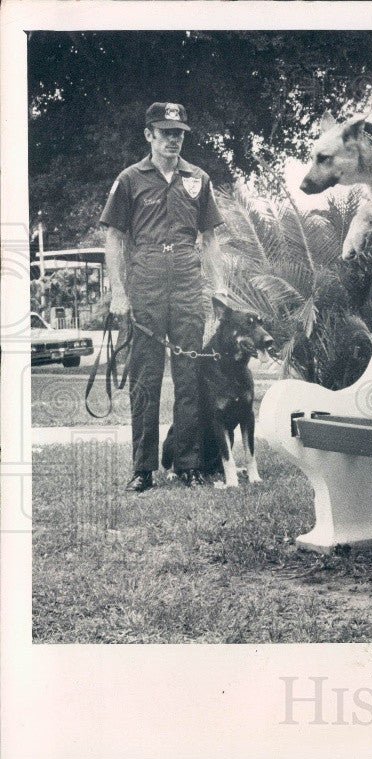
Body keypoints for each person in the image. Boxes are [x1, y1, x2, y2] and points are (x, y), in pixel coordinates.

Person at [100, 102, 226, 492]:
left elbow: (210, 239)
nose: (173, 139)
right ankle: (143, 469)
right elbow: (114, 238)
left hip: (188, 285)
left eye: (179, 133)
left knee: (189, 376)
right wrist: (118, 292)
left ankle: (187, 465)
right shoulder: (130, 179)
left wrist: (219, 286)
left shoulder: (198, 178)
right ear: (149, 135)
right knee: (145, 380)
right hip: (146, 286)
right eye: (165, 132)